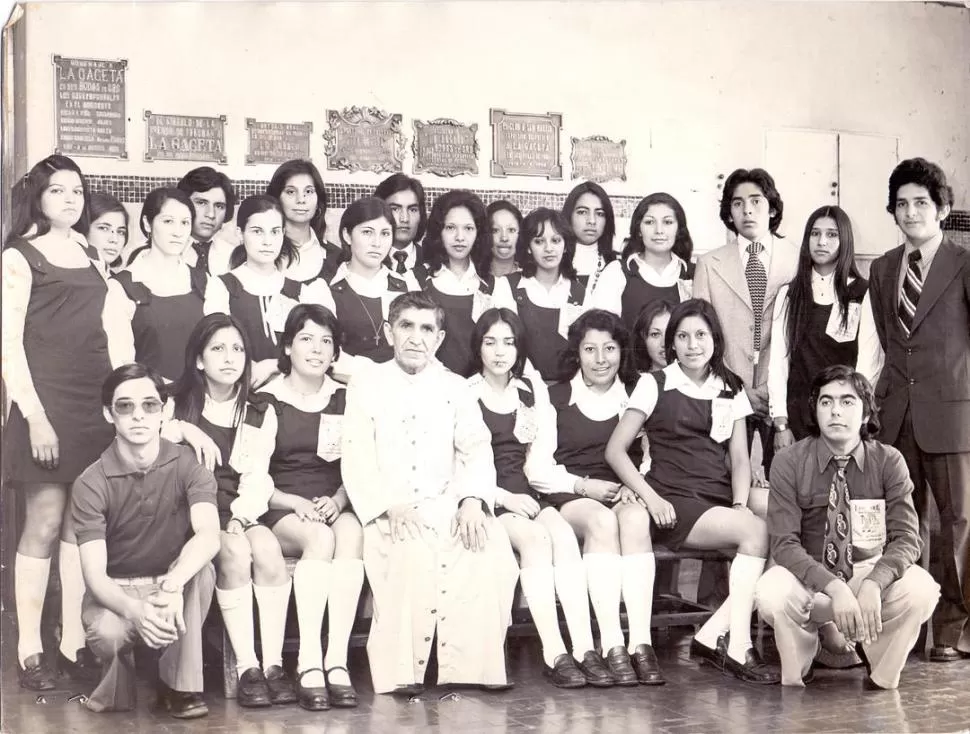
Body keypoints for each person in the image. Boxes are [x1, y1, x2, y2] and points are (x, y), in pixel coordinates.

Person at [342, 292, 519, 695]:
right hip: (392, 507)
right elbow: (356, 456)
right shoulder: (368, 384)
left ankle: (473, 667)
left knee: (485, 545)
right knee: (411, 548)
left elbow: (475, 448)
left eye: (426, 329)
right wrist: (389, 505)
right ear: (389, 332)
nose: (416, 338)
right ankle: (403, 670)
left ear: (439, 338)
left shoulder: (456, 387)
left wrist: (472, 500)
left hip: (446, 502)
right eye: (406, 326)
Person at [605, 298, 780, 684]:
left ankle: (711, 632)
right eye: (682, 337)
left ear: (715, 339)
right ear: (671, 344)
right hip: (673, 498)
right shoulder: (656, 384)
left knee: (781, 513)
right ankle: (736, 645)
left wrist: (739, 503)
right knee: (756, 532)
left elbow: (739, 459)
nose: (692, 344)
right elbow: (615, 451)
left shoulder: (730, 387)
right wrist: (650, 497)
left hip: (718, 494)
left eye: (700, 335)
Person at [2, 154, 115, 689]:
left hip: (94, 407)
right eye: (57, 192)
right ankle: (30, 649)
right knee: (44, 523)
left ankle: (72, 641)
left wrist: (117, 403)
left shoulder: (91, 254)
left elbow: (107, 334)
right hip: (44, 407)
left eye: (77, 191)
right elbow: (9, 348)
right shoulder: (19, 257)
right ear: (38, 199)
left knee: (80, 526)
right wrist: (37, 419)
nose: (69, 200)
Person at [756, 365, 940, 688]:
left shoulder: (889, 461)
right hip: (811, 579)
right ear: (814, 410)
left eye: (847, 402)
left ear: (867, 412)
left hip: (867, 573)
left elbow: (908, 538)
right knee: (771, 591)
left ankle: (880, 671)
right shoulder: (789, 461)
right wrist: (834, 586)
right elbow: (784, 544)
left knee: (923, 589)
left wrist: (874, 584)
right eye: (825, 402)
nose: (835, 411)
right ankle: (803, 659)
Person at [857, 157, 970, 662]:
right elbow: (882, 343)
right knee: (904, 527)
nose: (910, 213)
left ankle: (953, 631)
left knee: (958, 523)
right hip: (896, 414)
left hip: (953, 417)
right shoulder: (881, 269)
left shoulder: (964, 262)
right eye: (901, 205)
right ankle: (905, 631)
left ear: (941, 209)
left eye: (921, 203)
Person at [467, 308, 607, 688]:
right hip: (487, 498)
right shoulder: (464, 395)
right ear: (478, 346)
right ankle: (553, 651)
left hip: (527, 495)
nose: (500, 351)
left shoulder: (530, 391)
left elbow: (539, 464)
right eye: (491, 342)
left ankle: (584, 648)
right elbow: (458, 467)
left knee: (561, 534)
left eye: (509, 342)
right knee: (535, 539)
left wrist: (543, 492)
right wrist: (503, 498)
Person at [72, 363, 220, 717]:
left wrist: (172, 586)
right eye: (125, 406)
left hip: (169, 585)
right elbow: (94, 577)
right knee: (108, 636)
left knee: (202, 571)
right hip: (118, 593)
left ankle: (178, 687)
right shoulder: (90, 482)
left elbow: (209, 535)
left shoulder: (187, 464)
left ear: (165, 412)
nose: (138, 416)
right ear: (109, 414)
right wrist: (135, 611)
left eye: (149, 405)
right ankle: (122, 680)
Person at [163, 313, 293, 709]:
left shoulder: (258, 409)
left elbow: (258, 476)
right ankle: (247, 666)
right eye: (217, 348)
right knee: (235, 552)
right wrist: (186, 428)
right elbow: (153, 442)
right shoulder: (176, 403)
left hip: (240, 508)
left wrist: (240, 517)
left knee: (267, 547)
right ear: (199, 359)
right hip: (192, 515)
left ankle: (273, 666)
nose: (229, 357)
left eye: (237, 348)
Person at [531, 309, 666, 686]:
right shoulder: (555, 395)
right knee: (601, 520)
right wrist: (582, 486)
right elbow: (536, 468)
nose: (601, 358)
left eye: (609, 348)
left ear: (622, 351)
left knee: (637, 519)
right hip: (570, 494)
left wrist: (635, 484)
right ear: (577, 352)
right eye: (590, 349)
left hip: (623, 492)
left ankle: (641, 643)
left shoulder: (636, 394)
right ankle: (611, 644)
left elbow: (654, 454)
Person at [256, 305, 365, 709]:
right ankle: (308, 661)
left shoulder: (345, 398)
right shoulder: (266, 400)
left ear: (335, 352)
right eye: (306, 338)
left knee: (352, 534)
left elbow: (359, 464)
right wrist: (293, 502)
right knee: (319, 538)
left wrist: (338, 500)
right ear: (287, 347)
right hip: (282, 505)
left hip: (333, 501)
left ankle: (337, 660)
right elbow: (252, 476)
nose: (317, 349)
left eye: (326, 341)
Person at [693, 167, 798, 478]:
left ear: (773, 208)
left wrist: (771, 389)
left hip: (780, 395)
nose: (747, 210)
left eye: (756, 201)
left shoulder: (797, 260)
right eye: (737, 203)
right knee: (727, 482)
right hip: (726, 390)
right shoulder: (709, 264)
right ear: (729, 212)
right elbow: (699, 336)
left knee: (783, 487)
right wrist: (737, 388)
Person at [203, 194, 334, 386]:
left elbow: (320, 351)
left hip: (293, 393)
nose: (267, 241)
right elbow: (217, 348)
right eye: (257, 231)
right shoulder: (222, 287)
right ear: (240, 234)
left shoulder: (304, 291)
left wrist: (273, 365)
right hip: (241, 389)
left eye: (274, 232)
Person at [769, 206, 868, 445]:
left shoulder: (862, 293)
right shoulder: (790, 294)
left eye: (832, 234)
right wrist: (780, 422)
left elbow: (867, 361)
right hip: (797, 417)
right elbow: (778, 362)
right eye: (815, 234)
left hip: (843, 417)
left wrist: (859, 418)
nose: (822, 241)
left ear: (845, 240)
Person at [491, 208, 615, 382]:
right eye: (539, 241)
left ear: (565, 246)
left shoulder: (579, 293)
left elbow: (589, 348)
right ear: (528, 247)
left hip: (569, 389)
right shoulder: (507, 286)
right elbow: (505, 346)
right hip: (520, 385)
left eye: (556, 240)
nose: (549, 248)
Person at [105, 187, 206, 381]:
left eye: (185, 223)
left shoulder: (206, 283)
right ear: (147, 224)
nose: (178, 232)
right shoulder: (121, 288)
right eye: (168, 221)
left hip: (201, 401)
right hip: (149, 401)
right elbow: (122, 364)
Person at [328, 197, 416, 377]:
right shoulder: (326, 289)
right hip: (348, 391)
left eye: (385, 233)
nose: (377, 243)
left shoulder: (408, 285)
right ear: (347, 235)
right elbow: (330, 357)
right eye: (367, 232)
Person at [418, 189, 495, 377]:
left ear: (478, 233)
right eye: (451, 228)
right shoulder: (419, 279)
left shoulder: (492, 285)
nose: (460, 237)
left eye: (468, 228)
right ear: (439, 232)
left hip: (477, 388)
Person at [126, 166, 236, 275]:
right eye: (201, 203)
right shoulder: (150, 252)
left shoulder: (234, 254)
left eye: (219, 206)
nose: (211, 214)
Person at [619, 193, 694, 334]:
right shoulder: (618, 272)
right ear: (639, 230)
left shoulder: (695, 274)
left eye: (667, 222)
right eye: (649, 222)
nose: (659, 230)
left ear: (678, 230)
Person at [266, 159, 343, 285]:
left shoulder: (337, 257)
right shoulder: (261, 250)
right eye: (291, 192)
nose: (301, 200)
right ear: (276, 199)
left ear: (318, 200)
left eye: (308, 191)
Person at [561, 182, 625, 314]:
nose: (592, 220)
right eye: (582, 212)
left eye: (600, 213)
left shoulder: (619, 264)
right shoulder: (552, 260)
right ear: (569, 216)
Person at [374, 173, 427, 279]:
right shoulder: (366, 259)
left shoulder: (432, 261)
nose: (405, 219)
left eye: (412, 210)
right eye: (395, 209)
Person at [84, 191, 128, 274]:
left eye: (120, 232)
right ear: (83, 229)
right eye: (104, 228)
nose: (114, 239)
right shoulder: (65, 281)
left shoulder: (118, 283)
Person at [631, 300, 672, 375]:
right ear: (643, 338)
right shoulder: (635, 383)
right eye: (655, 334)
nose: (664, 343)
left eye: (670, 333)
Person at [485, 200, 522, 278]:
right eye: (495, 230)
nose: (504, 238)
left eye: (511, 230)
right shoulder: (473, 278)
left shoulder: (530, 281)